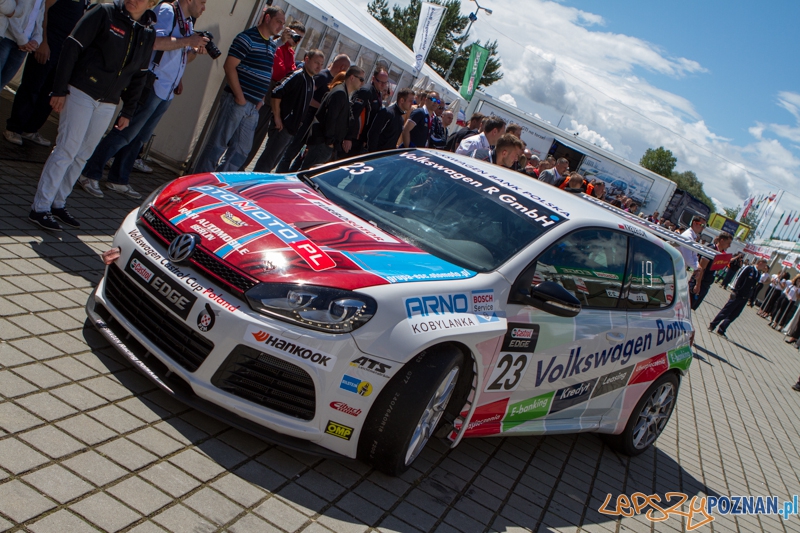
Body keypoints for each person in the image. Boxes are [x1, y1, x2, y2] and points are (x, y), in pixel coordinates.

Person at [28, 0, 156, 231]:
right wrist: (59, 89)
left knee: (83, 154)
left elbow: (139, 75)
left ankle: (58, 203)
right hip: (81, 91)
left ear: (152, 3)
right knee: (67, 149)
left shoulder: (147, 32)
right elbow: (71, 47)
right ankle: (40, 207)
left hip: (108, 102)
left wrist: (128, 111)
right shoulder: (105, 11)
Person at [78, 0, 209, 200]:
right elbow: (154, 42)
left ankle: (118, 179)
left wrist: (193, 50)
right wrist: (187, 41)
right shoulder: (167, 11)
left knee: (139, 137)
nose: (204, 8)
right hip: (152, 84)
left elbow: (182, 55)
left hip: (167, 89)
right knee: (125, 132)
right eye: (202, 2)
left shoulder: (188, 22)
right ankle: (88, 172)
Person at [193, 5, 285, 173]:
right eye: (278, 21)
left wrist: (260, 99)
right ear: (267, 18)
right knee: (218, 145)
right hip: (237, 101)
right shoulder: (246, 38)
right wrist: (239, 97)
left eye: (283, 23)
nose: (281, 27)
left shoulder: (271, 45)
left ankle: (221, 180)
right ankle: (200, 179)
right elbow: (229, 66)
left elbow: (266, 71)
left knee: (241, 150)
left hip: (253, 107)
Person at [4, 0, 90, 147]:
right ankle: (14, 128)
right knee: (32, 86)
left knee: (50, 91)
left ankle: (30, 129)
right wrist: (43, 41)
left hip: (65, 51)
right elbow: (43, 10)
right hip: (49, 44)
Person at [241, 20, 305, 170]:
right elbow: (278, 71)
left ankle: (242, 166)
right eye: (295, 35)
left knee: (258, 137)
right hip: (264, 96)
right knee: (250, 133)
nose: (296, 40)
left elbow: (289, 73)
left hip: (273, 101)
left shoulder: (290, 52)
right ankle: (237, 164)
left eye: (299, 38)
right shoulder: (277, 46)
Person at [274, 53, 350, 173]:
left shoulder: (332, 80)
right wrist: (323, 107)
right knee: (291, 150)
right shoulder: (322, 76)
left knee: (303, 154)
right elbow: (307, 96)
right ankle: (280, 174)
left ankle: (293, 174)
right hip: (306, 120)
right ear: (342, 67)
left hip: (313, 125)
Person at [252, 49, 323, 173]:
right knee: (267, 161)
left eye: (321, 64)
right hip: (282, 126)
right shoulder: (297, 75)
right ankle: (253, 181)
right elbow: (276, 91)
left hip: (292, 130)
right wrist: (277, 117)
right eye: (316, 62)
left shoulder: (311, 81)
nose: (319, 67)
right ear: (307, 60)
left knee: (273, 162)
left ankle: (261, 180)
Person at [300, 65, 364, 169]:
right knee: (309, 172)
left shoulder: (344, 93)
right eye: (361, 79)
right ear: (352, 77)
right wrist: (330, 142)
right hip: (322, 143)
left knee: (311, 171)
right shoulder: (340, 93)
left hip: (324, 143)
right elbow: (330, 119)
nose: (362, 83)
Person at [708, 259, 768, 338]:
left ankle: (722, 329)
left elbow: (754, 287)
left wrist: (751, 299)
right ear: (760, 263)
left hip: (745, 297)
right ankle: (713, 325)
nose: (765, 267)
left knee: (734, 314)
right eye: (764, 265)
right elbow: (739, 278)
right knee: (726, 311)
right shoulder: (749, 269)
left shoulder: (758, 274)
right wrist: (734, 290)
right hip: (738, 294)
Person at [0, 0, 45, 89]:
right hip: (6, 38)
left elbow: (39, 18)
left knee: (2, 84)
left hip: (24, 46)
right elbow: (9, 11)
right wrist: (21, 39)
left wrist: (37, 40)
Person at [344, 67, 388, 156]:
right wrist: (348, 137)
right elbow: (354, 113)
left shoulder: (378, 93)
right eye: (380, 82)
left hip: (363, 139)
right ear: (373, 79)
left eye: (385, 82)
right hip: (354, 137)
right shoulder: (367, 91)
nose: (383, 85)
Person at [688, 232, 732, 310]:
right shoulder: (711, 249)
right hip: (700, 283)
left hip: (706, 285)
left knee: (692, 307)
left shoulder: (720, 253)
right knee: (687, 306)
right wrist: (697, 285)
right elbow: (701, 268)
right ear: (722, 241)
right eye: (728, 243)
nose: (729, 246)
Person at [367, 86, 413, 152]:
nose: (412, 104)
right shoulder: (387, 113)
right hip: (377, 154)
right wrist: (372, 154)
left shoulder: (401, 118)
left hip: (387, 156)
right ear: (402, 100)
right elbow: (373, 134)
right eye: (410, 101)